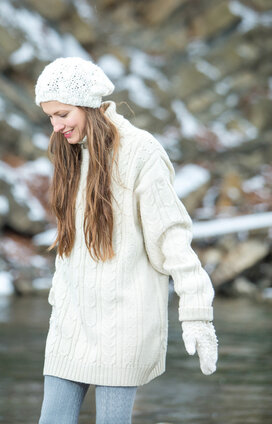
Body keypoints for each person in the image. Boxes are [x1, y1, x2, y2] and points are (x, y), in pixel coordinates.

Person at [34, 57, 218, 424]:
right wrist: (59, 298)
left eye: (62, 114)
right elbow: (72, 244)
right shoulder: (71, 153)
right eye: (50, 117)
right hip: (71, 323)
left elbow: (172, 237)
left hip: (124, 324)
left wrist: (197, 314)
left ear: (88, 104)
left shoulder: (141, 152)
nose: (56, 126)